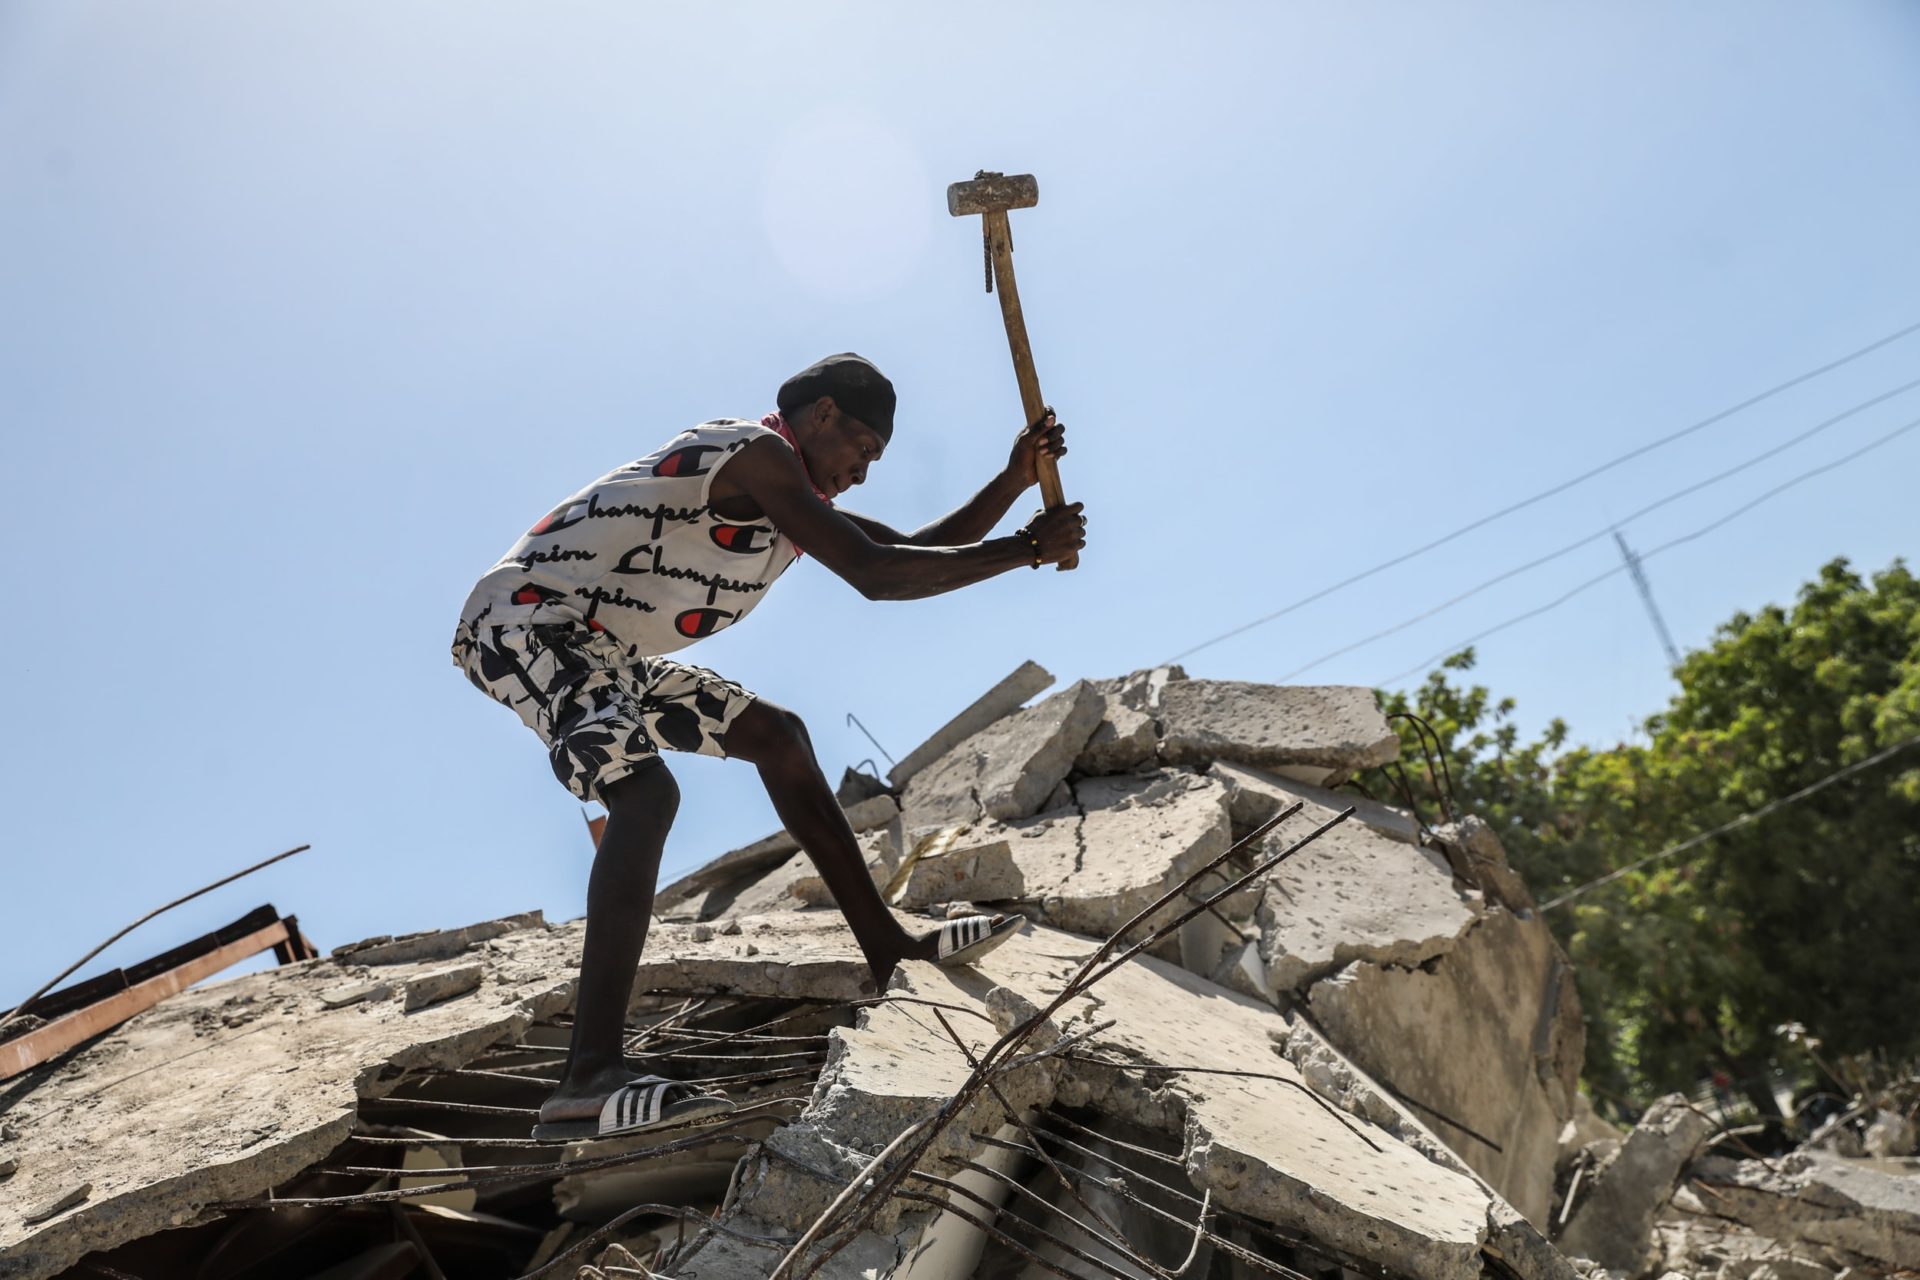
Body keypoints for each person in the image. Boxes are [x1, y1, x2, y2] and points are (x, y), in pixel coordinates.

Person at [451, 352, 1087, 1140]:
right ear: (822, 416)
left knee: (777, 738)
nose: (860, 476)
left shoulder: (793, 497)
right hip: (525, 622)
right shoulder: (754, 454)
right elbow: (875, 573)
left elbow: (918, 550)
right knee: (644, 795)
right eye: (863, 451)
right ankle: (585, 1077)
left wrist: (1015, 481)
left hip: (606, 650)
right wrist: (1027, 548)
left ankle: (889, 950)